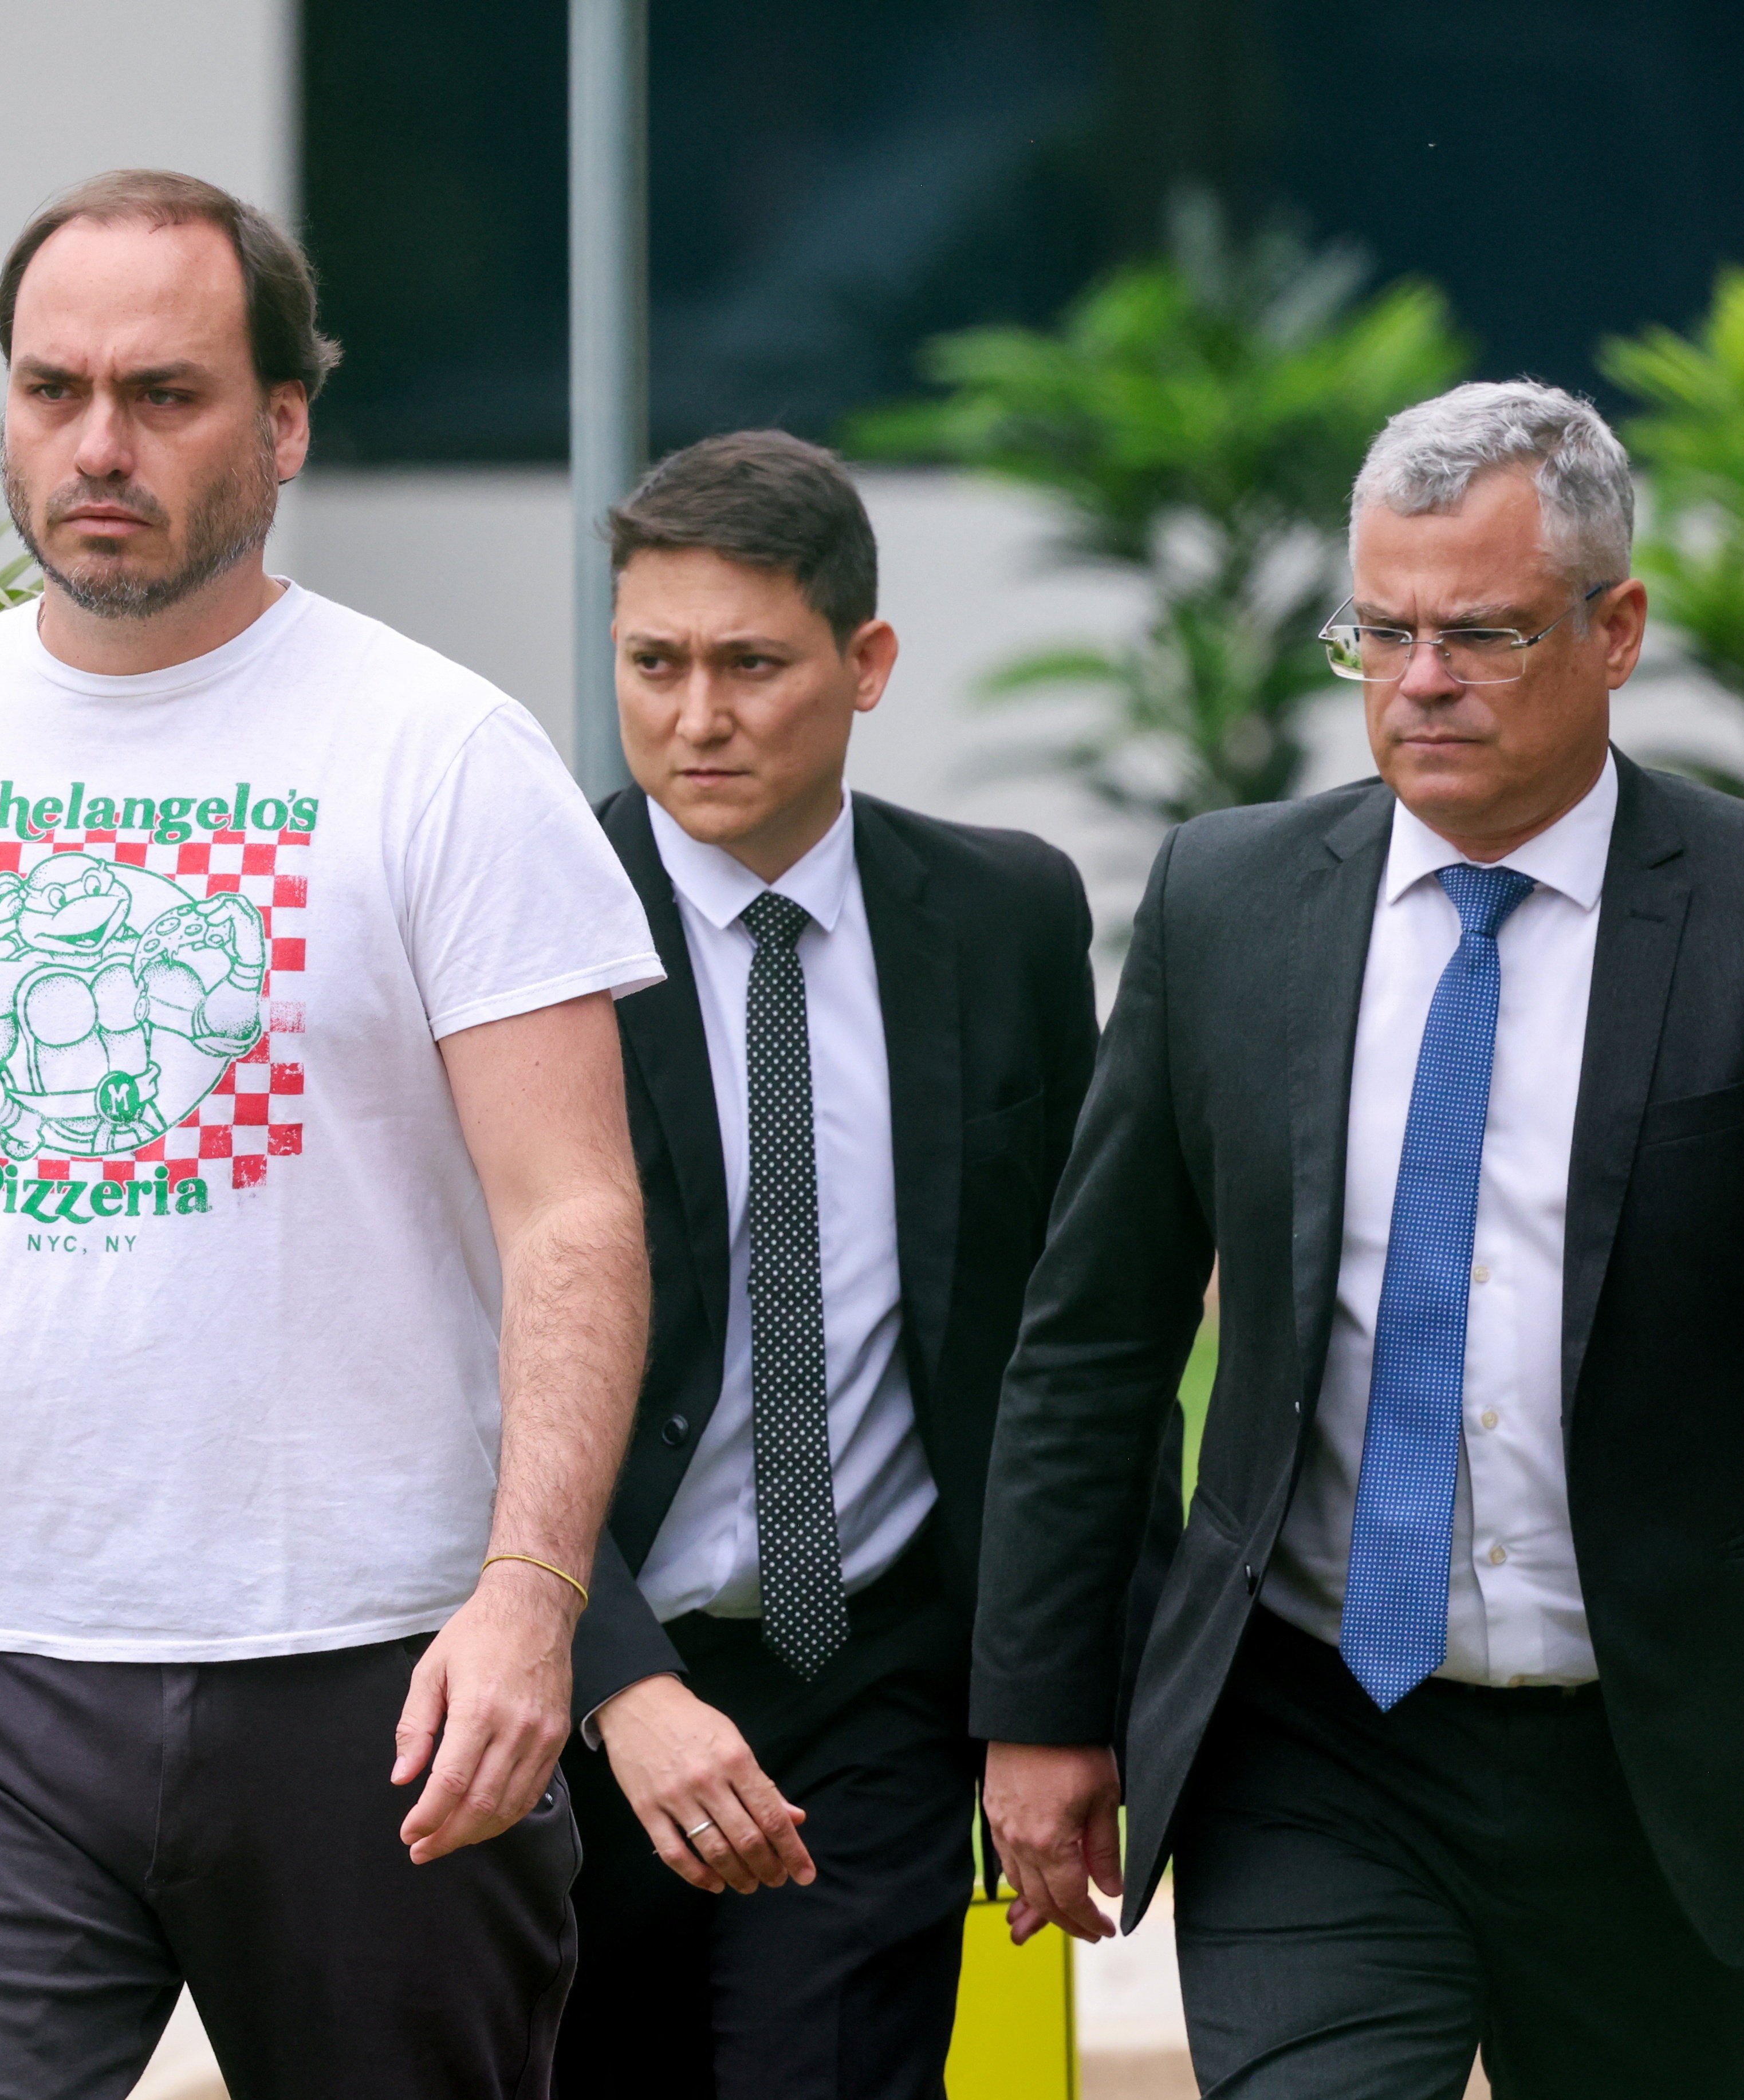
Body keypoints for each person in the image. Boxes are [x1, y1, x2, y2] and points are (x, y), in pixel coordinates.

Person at [0, 168, 664, 2100]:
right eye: (51, 389)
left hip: (374, 1676)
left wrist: (529, 1597)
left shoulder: (438, 751)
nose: (98, 446)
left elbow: (573, 1213)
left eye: (164, 394)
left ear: (283, 425)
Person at [971, 380, 1744, 2099]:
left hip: (1659, 1752)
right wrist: (1039, 1704)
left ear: (1614, 629)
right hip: (1310, 1740)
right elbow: (1093, 1340)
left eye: (1480, 632)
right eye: (1380, 632)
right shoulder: (1225, 902)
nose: (1420, 680)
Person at [554, 430, 1175, 2099]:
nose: (697, 715)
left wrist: (1067, 1695)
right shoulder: (527, 923)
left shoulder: (1004, 915)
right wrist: (615, 1678)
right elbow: (444, 1355)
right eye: (654, 664)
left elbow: (1084, 1333)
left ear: (867, 661)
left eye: (750, 664)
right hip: (576, 1680)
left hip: (873, 1685)